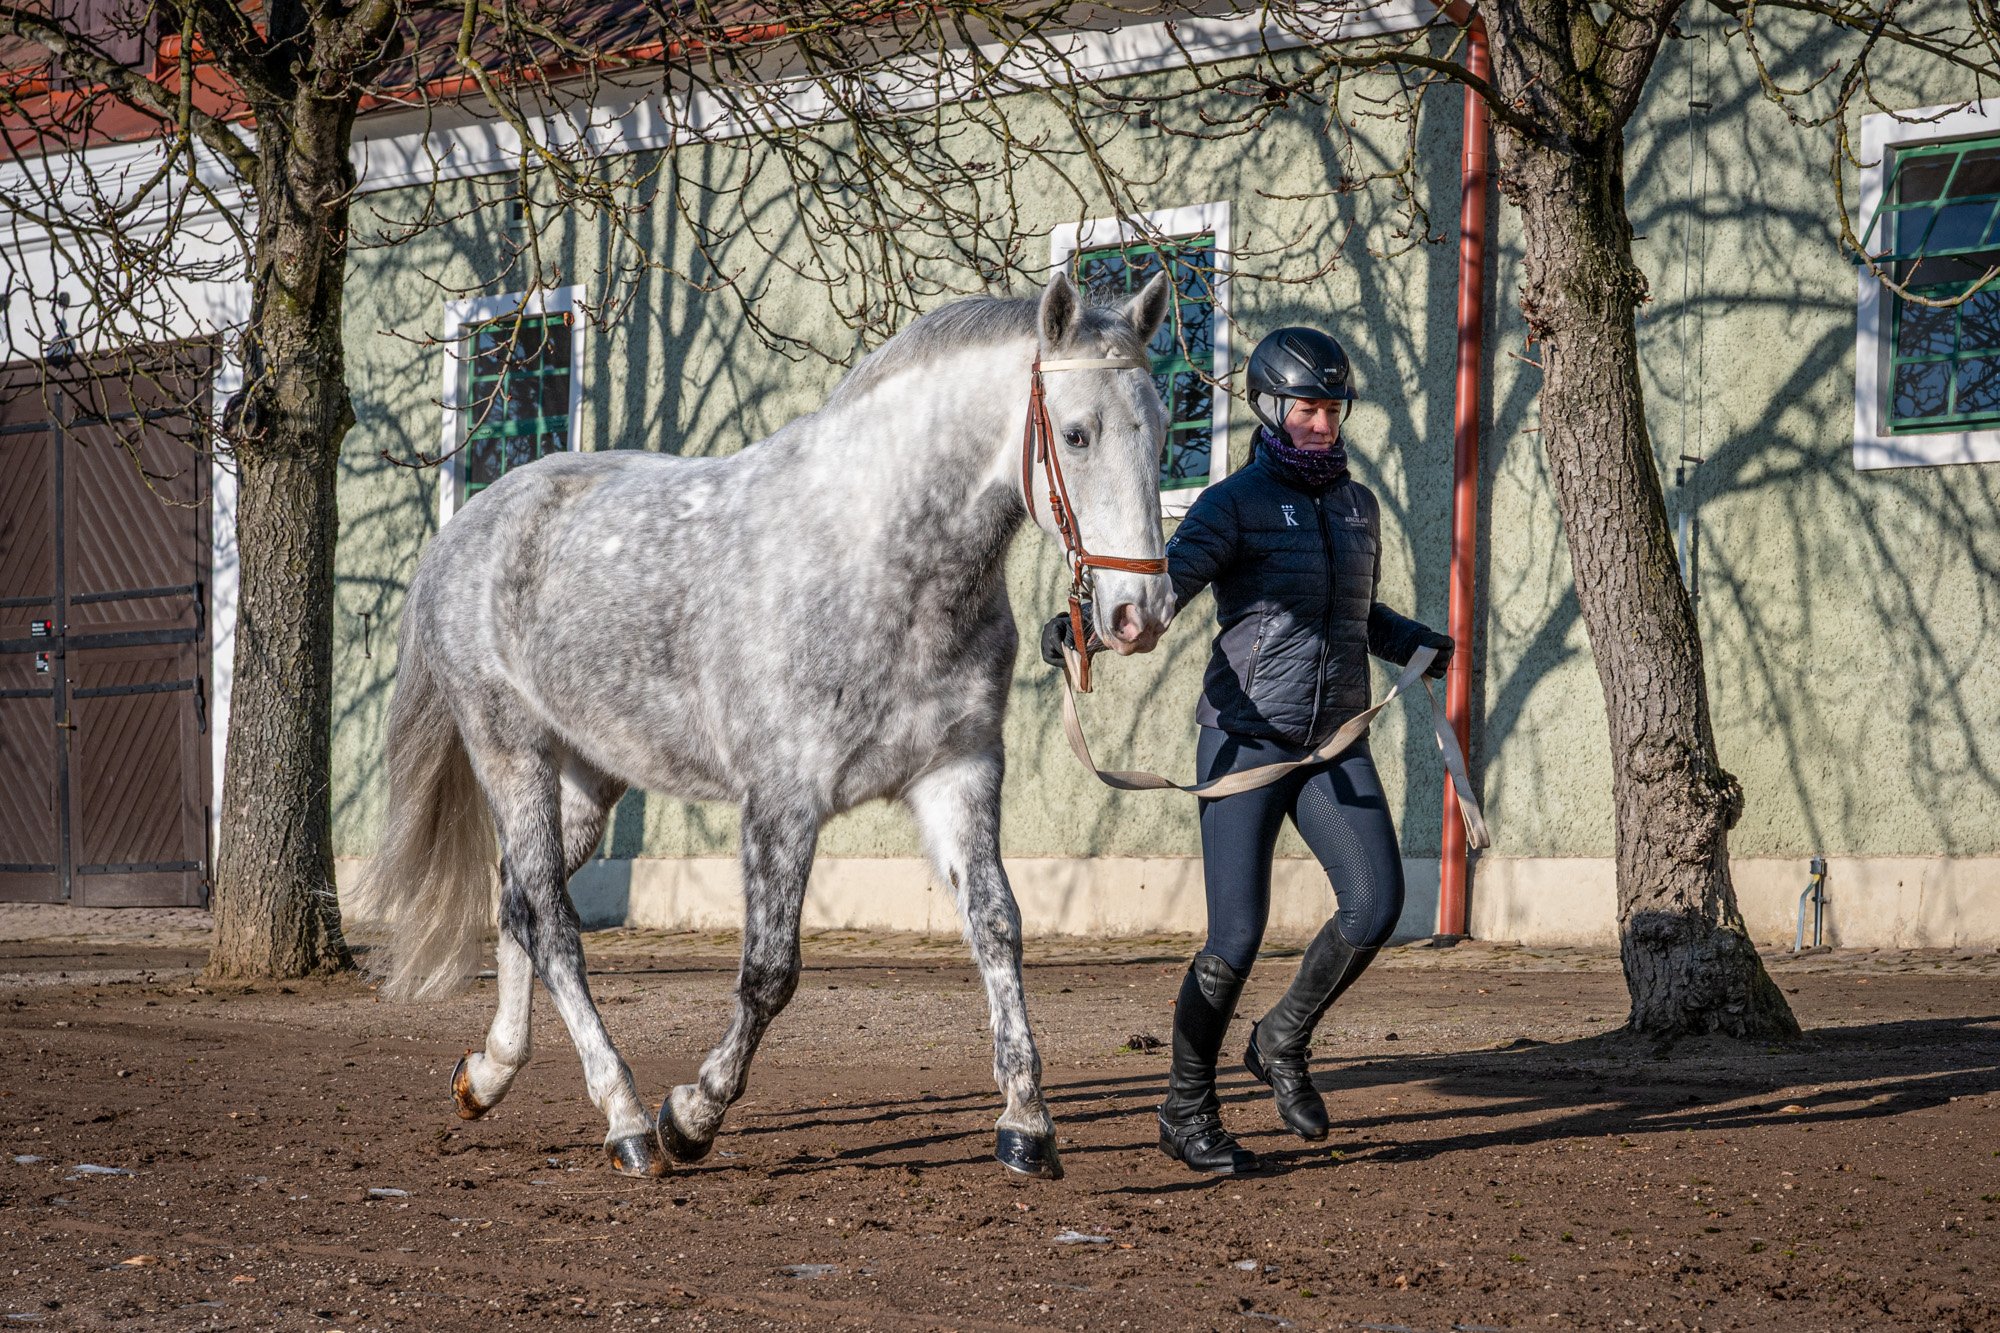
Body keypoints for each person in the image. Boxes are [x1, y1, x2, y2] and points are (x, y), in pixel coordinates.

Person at [1046, 326, 1452, 1175]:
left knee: (1376, 903)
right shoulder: (1233, 503)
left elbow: (1356, 616)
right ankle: (1184, 1108)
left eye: (1334, 409)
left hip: (1332, 739)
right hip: (1244, 739)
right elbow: (1167, 589)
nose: (1324, 423)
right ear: (1270, 407)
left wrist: (1416, 642)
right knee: (1236, 935)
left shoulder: (1358, 506)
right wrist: (1079, 627)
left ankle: (1280, 1040)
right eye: (1308, 408)